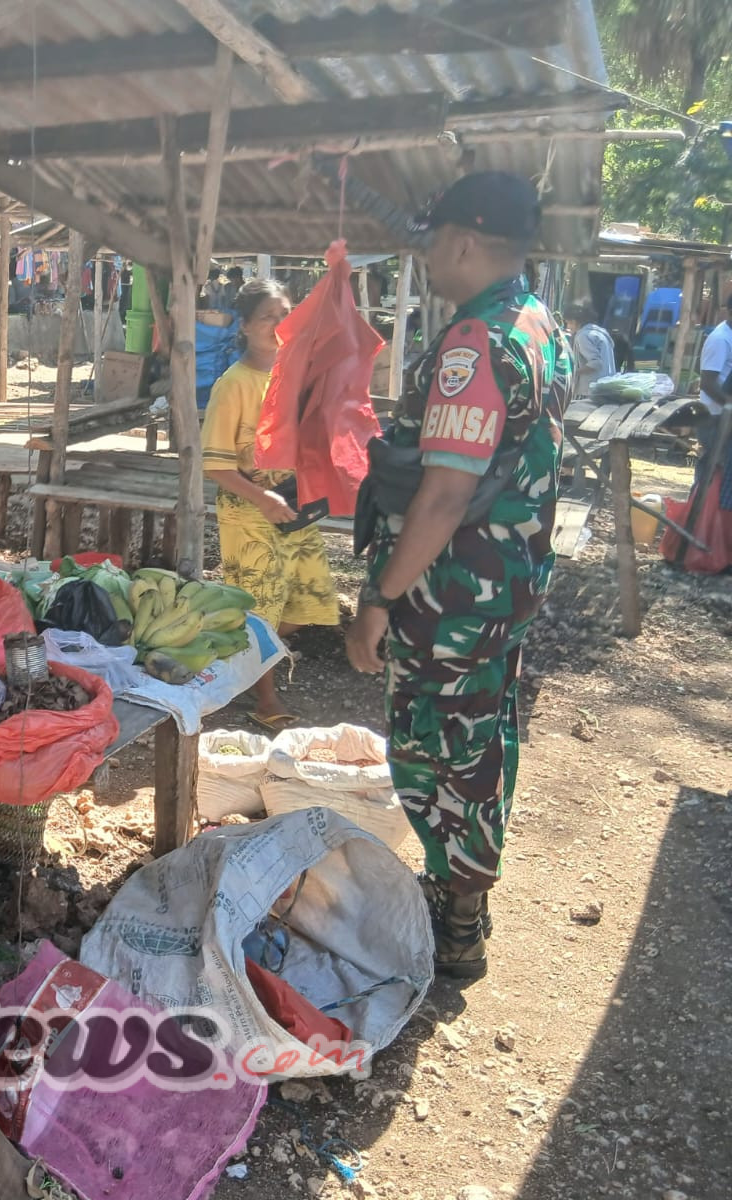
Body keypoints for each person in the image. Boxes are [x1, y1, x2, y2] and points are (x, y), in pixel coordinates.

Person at [346, 172, 572, 980]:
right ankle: (464, 894)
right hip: (508, 583)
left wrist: (379, 599)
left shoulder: (475, 344)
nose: (429, 257)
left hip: (452, 595)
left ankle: (457, 916)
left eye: (435, 240)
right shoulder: (539, 323)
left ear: (466, 241)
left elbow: (442, 497)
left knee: (438, 748)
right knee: (483, 733)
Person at [201, 278, 339, 730]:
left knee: (309, 601)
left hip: (295, 506)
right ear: (243, 326)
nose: (280, 324)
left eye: (286, 314)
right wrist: (263, 497)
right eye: (268, 316)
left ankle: (233, 658)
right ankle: (264, 696)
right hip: (249, 511)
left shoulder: (296, 375)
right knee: (262, 610)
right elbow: (216, 465)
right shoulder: (233, 385)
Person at [695, 291, 732, 487]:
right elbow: (707, 383)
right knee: (709, 474)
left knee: (723, 476)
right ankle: (697, 516)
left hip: (725, 415)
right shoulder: (720, 339)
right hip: (715, 417)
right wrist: (729, 405)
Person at [564, 302, 616, 399]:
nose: (567, 327)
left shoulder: (583, 336)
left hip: (591, 392)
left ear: (575, 321)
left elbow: (596, 363)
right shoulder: (600, 333)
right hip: (607, 388)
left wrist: (573, 372)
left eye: (568, 322)